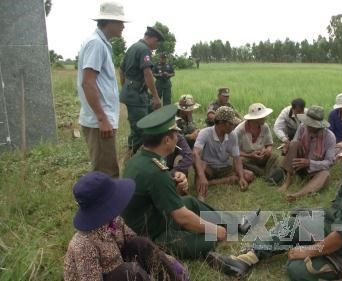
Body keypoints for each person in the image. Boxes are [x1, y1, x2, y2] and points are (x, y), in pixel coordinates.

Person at [207, 127, 342, 280]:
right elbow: (341, 214)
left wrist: (309, 251)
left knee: (297, 268)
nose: (341, 149)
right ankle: (246, 259)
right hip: (340, 225)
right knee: (295, 221)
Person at [121, 105, 258, 259]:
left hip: (157, 217)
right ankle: (221, 229)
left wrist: (176, 181)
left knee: (191, 202)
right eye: (176, 135)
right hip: (150, 234)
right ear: (166, 140)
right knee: (205, 242)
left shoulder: (141, 158)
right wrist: (214, 230)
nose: (178, 139)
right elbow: (181, 217)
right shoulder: (155, 171)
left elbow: (154, 192)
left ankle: (237, 222)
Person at [63, 171, 190, 281]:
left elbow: (134, 242)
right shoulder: (83, 245)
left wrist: (166, 260)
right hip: (112, 275)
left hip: (119, 263)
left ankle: (177, 277)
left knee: (141, 243)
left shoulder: (114, 220)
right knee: (129, 272)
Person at [76, 1, 126, 178]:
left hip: (102, 120)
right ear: (109, 22)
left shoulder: (102, 44)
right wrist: (102, 119)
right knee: (106, 172)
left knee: (108, 167)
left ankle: (107, 203)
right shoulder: (96, 44)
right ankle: (106, 205)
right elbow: (88, 83)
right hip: (100, 122)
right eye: (120, 23)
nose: (122, 27)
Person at [193, 106, 255, 201]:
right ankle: (202, 191)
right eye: (231, 123)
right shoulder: (205, 133)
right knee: (201, 166)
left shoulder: (232, 135)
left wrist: (241, 177)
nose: (234, 126)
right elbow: (195, 154)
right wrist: (201, 175)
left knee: (249, 175)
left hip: (224, 167)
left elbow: (237, 158)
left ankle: (211, 183)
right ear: (222, 123)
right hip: (208, 168)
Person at [120, 26, 165, 154]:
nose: (156, 46)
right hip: (136, 96)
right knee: (140, 128)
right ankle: (133, 157)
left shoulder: (133, 47)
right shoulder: (144, 49)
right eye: (156, 42)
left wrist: (125, 87)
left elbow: (121, 70)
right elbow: (148, 73)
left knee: (144, 123)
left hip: (132, 93)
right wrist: (156, 97)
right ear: (150, 37)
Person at [278, 106, 336, 201]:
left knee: (325, 174)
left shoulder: (330, 137)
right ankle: (287, 181)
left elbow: (329, 162)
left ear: (318, 126)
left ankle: (297, 195)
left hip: (314, 170)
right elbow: (295, 143)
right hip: (298, 164)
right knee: (294, 143)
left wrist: (309, 163)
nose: (308, 126)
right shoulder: (302, 127)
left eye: (311, 125)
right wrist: (287, 148)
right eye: (307, 123)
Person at [234, 103, 281, 180]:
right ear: (255, 119)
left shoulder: (265, 126)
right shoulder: (239, 130)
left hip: (260, 155)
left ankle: (263, 173)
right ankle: (266, 174)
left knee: (274, 156)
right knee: (240, 161)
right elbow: (234, 152)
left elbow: (269, 144)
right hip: (246, 157)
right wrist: (250, 155)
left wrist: (268, 150)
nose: (265, 118)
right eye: (263, 117)